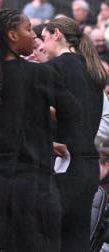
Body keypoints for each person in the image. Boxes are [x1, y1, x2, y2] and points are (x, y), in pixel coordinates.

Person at [0, 9, 79, 251]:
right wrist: (47, 117)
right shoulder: (39, 73)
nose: (34, 36)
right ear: (11, 35)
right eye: (28, 29)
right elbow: (73, 112)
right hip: (34, 184)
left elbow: (0, 120)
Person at [42, 16, 106, 252]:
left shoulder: (53, 68)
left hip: (64, 162)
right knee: (77, 241)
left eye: (44, 38)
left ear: (56, 34)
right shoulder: (93, 69)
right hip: (89, 165)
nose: (42, 46)